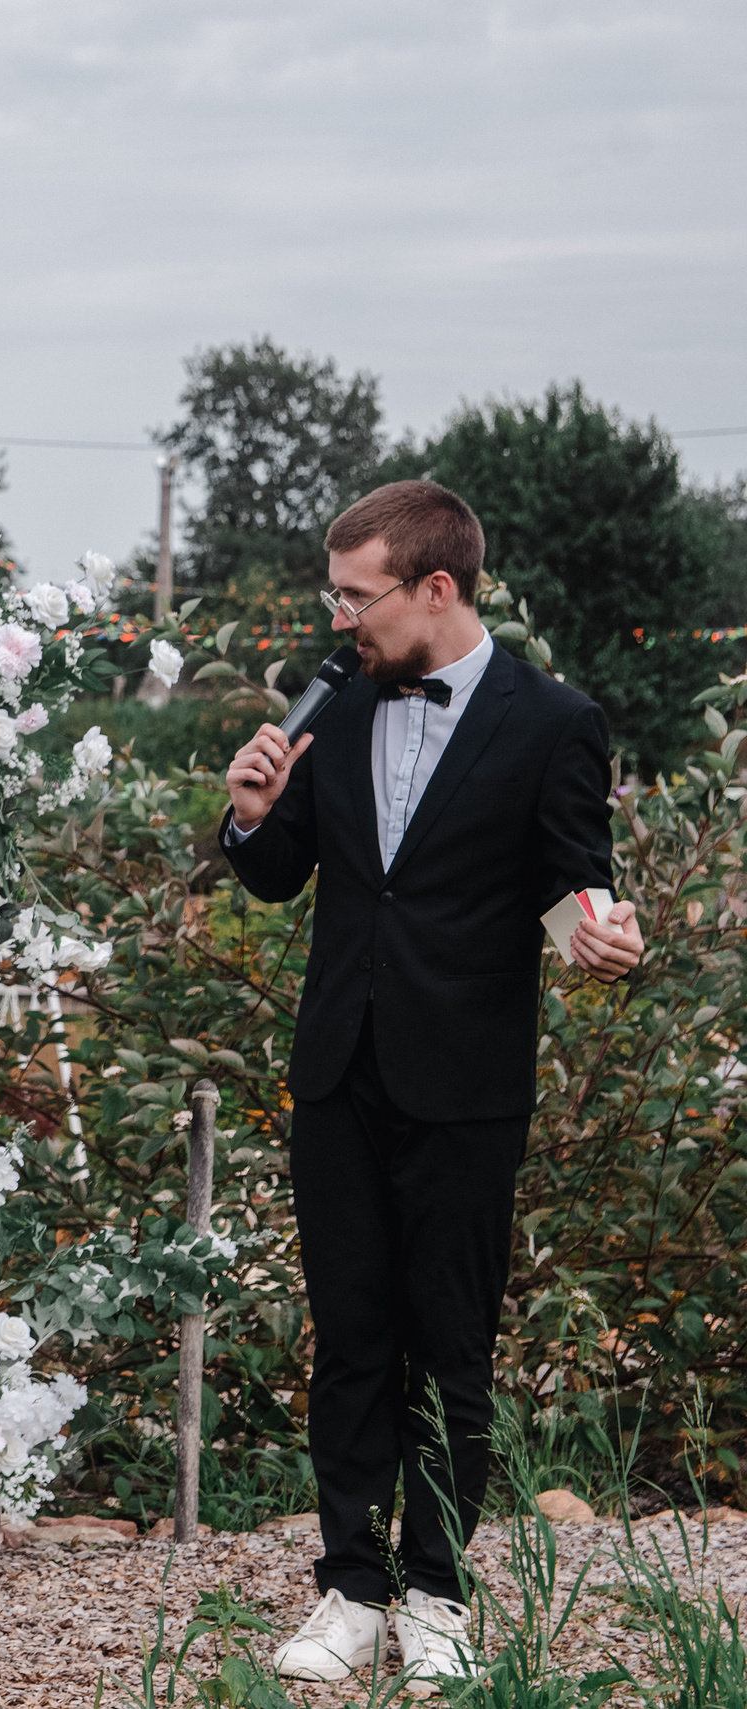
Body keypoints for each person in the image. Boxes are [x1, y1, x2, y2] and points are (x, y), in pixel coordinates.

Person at [221, 481, 642, 1693]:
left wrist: (607, 937)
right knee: (352, 1334)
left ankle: (440, 1589)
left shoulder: (556, 720)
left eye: (358, 595)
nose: (339, 616)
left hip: (465, 1080)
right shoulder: (337, 704)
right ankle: (349, 1587)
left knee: (451, 1340)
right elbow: (278, 870)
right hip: (337, 1069)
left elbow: (576, 885)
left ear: (437, 589)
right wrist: (252, 817)